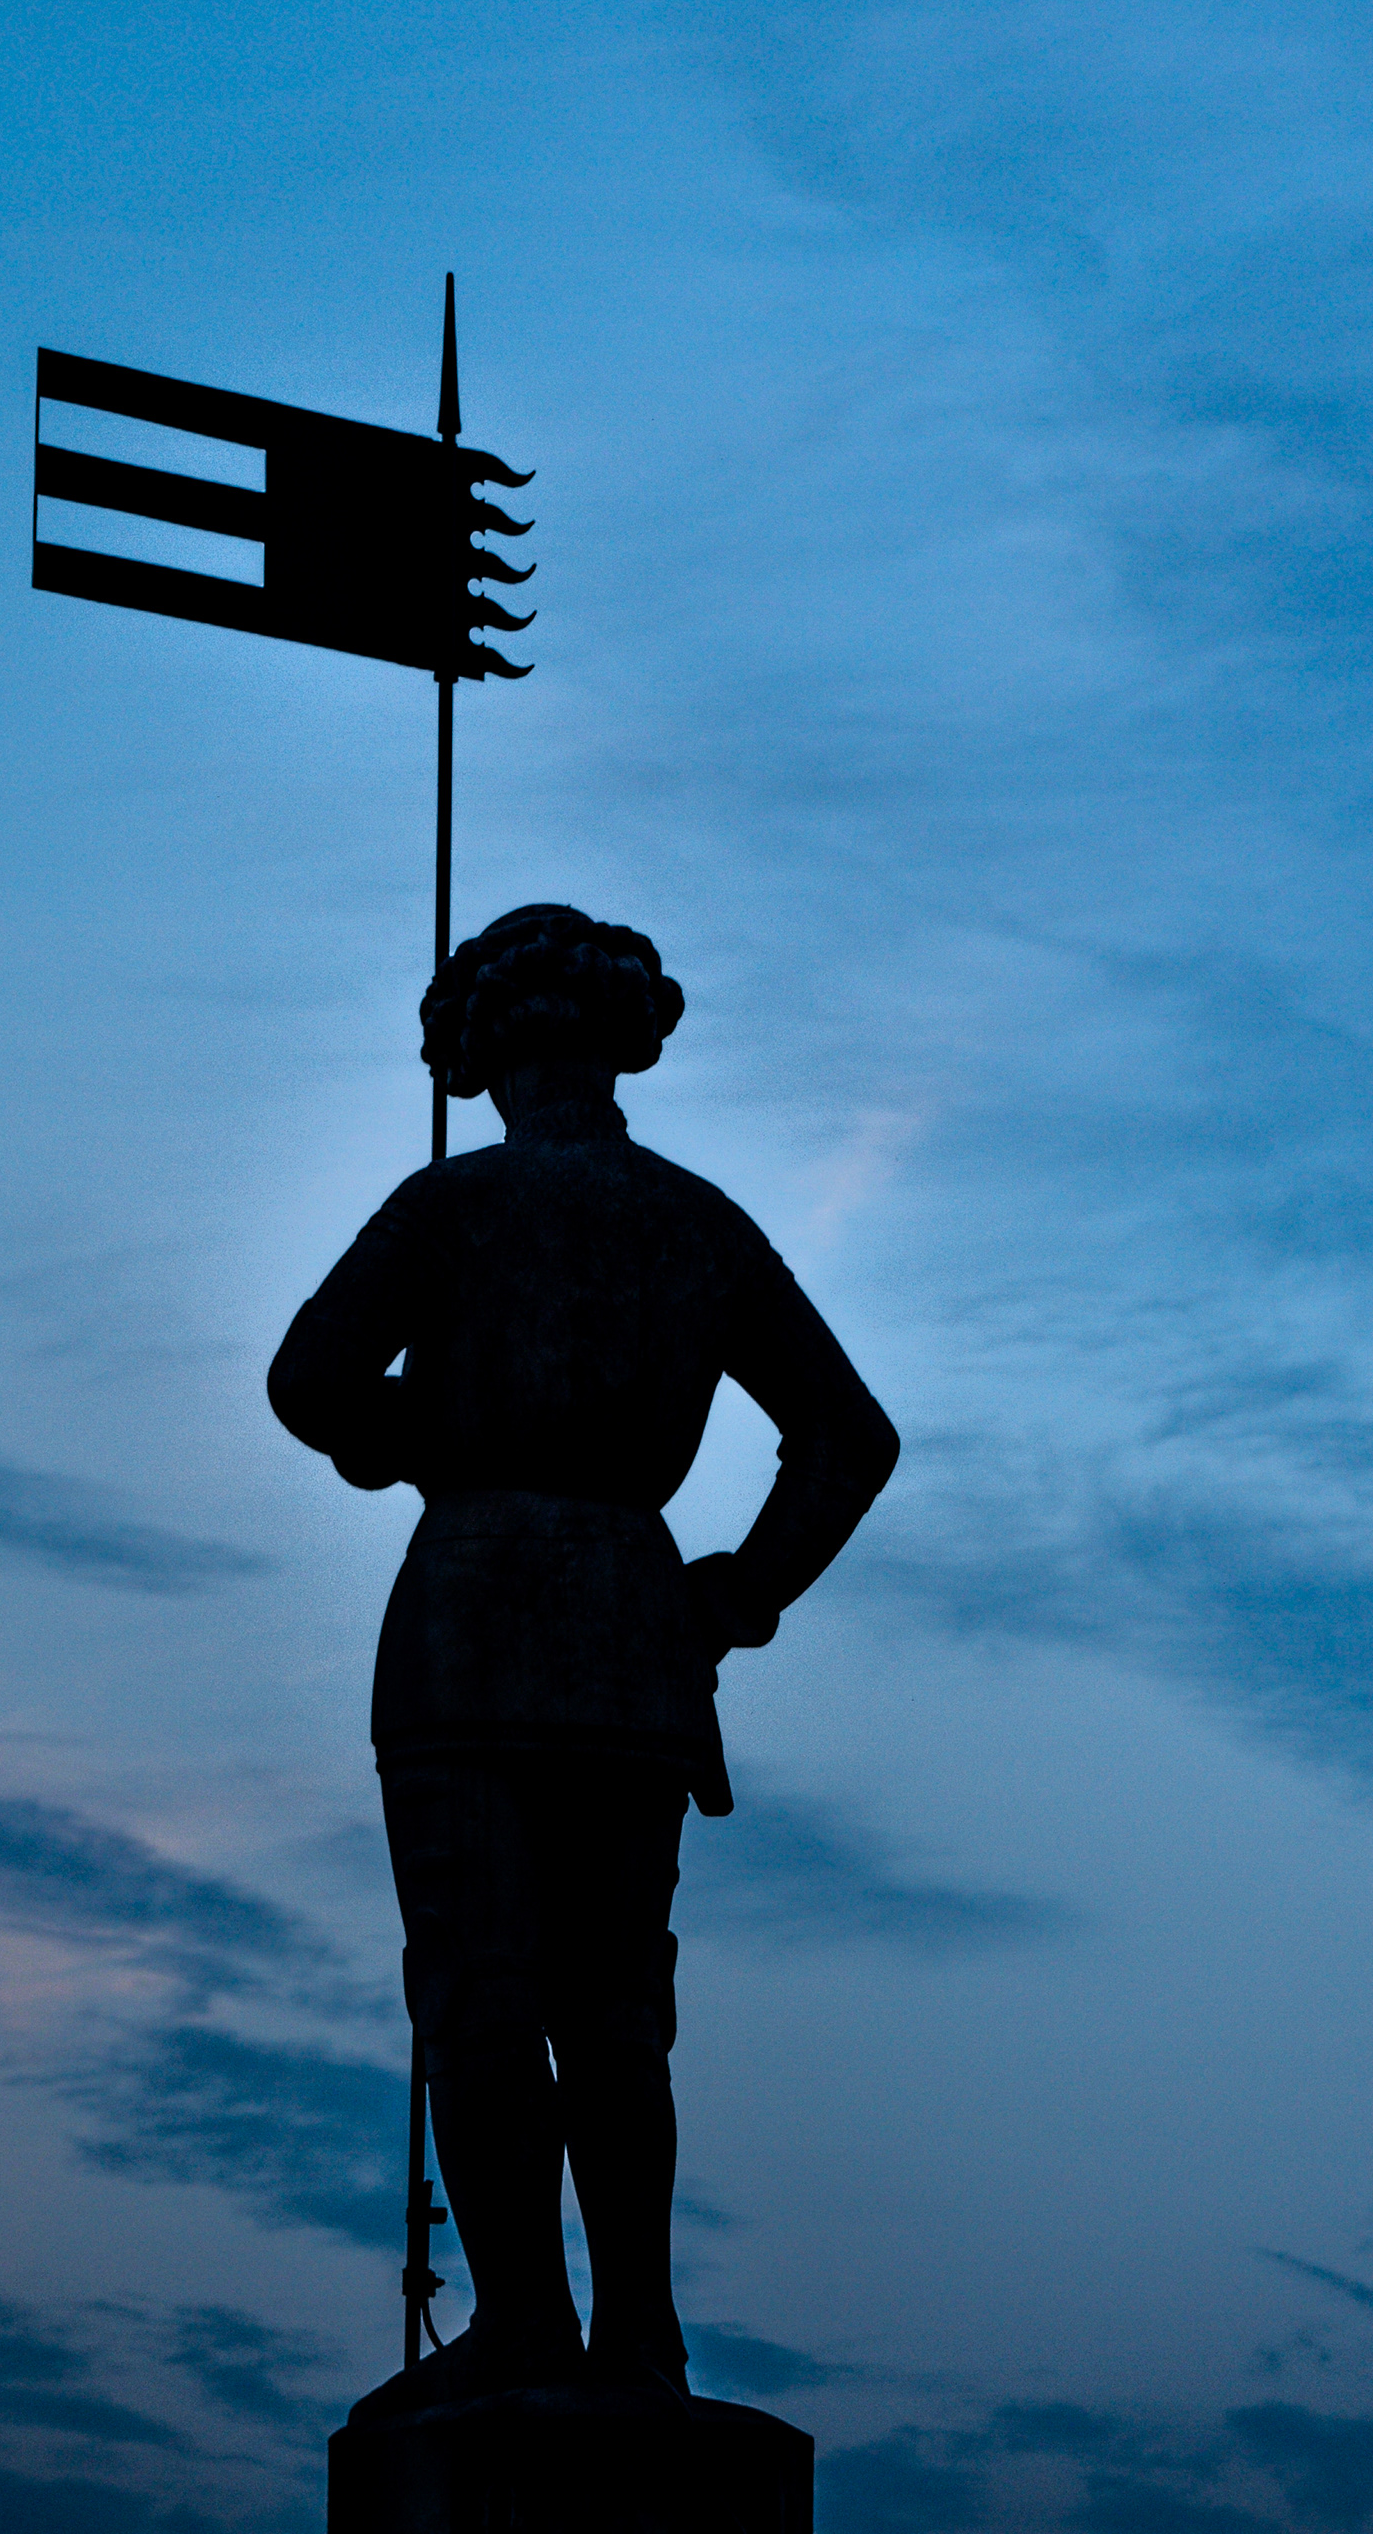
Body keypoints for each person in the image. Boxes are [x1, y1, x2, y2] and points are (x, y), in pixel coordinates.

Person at [270, 904, 898, 2416]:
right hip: (631, 1625)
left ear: (481, 1054)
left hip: (473, 1614)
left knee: (480, 1987)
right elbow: (848, 1437)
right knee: (616, 2008)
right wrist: (739, 1590)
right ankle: (639, 2337)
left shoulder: (454, 1204)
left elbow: (311, 1380)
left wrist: (422, 1438)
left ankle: (527, 2328)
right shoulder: (696, 1219)